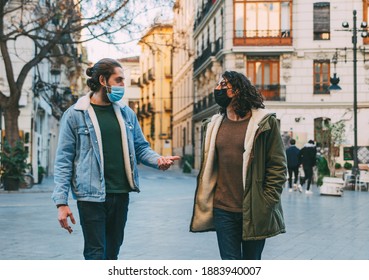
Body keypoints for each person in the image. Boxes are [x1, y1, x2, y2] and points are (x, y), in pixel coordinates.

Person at [51, 58, 180, 260]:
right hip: (90, 196)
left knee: (112, 252)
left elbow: (141, 147)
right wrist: (61, 203)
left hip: (120, 194)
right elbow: (63, 160)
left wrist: (158, 160)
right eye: (119, 80)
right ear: (103, 80)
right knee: (95, 252)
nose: (123, 85)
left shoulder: (126, 113)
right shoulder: (76, 114)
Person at [190, 71, 287, 260]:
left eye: (222, 85)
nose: (217, 89)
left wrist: (266, 201)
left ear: (238, 90)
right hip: (223, 209)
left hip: (254, 207)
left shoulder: (264, 123)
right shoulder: (213, 125)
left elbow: (277, 166)